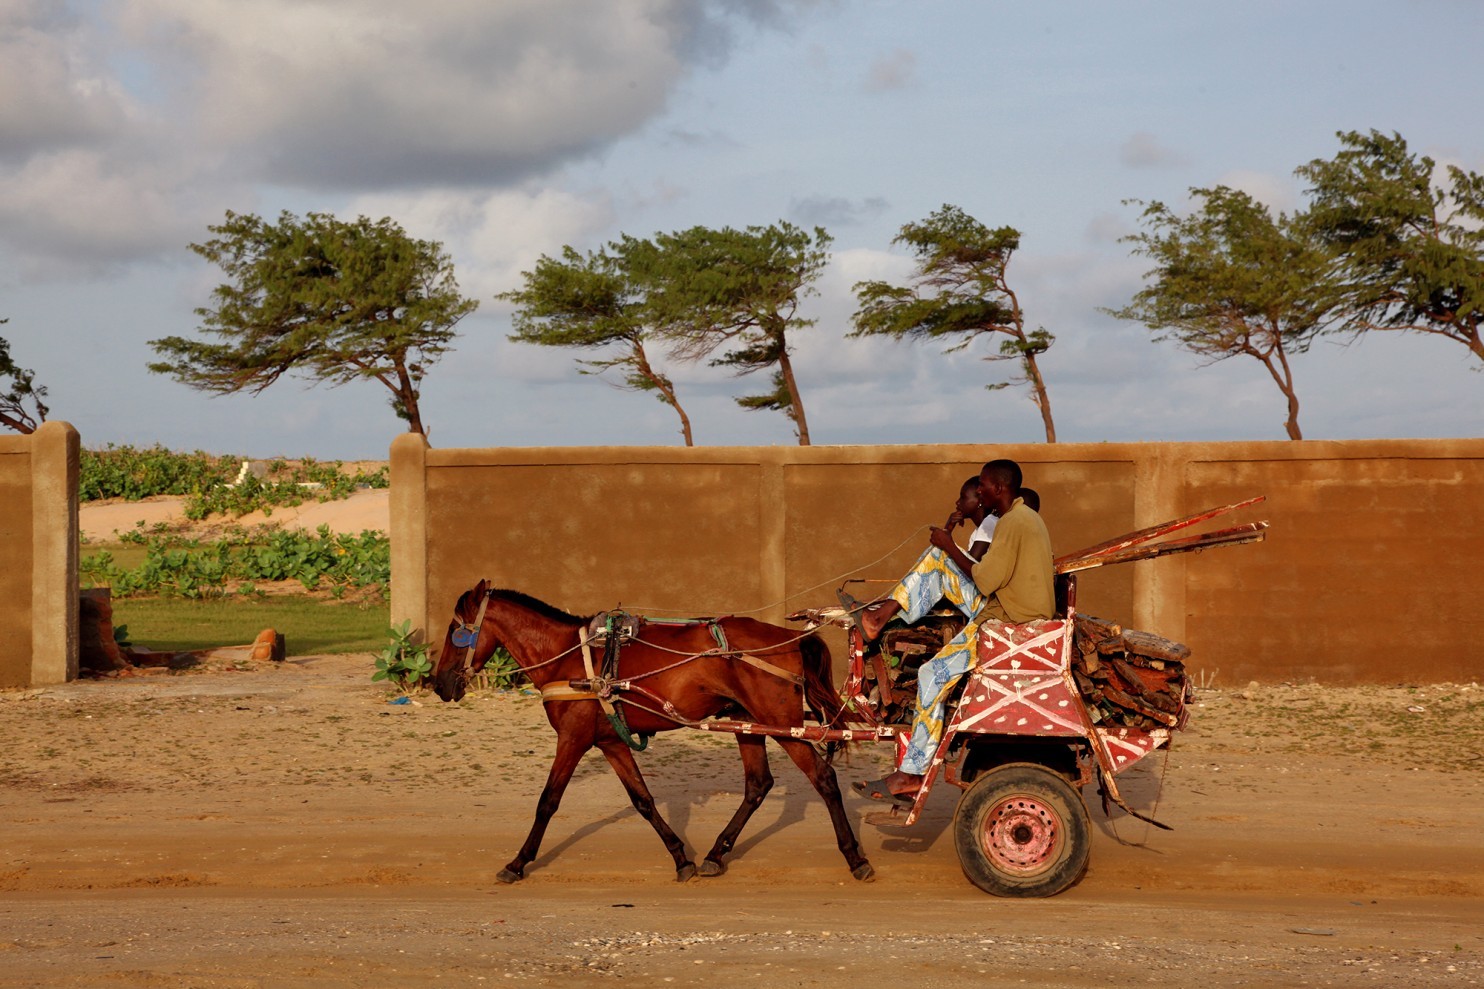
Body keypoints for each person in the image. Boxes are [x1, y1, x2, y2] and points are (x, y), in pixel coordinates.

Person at [857, 459, 1054, 802]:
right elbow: (988, 576)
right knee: (937, 560)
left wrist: (948, 545)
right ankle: (883, 615)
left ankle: (912, 773)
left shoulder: (1011, 523)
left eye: (982, 485)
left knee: (931, 675)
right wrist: (946, 548)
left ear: (998, 488)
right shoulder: (1022, 519)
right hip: (1007, 609)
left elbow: (985, 579)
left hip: (1007, 624)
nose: (979, 491)